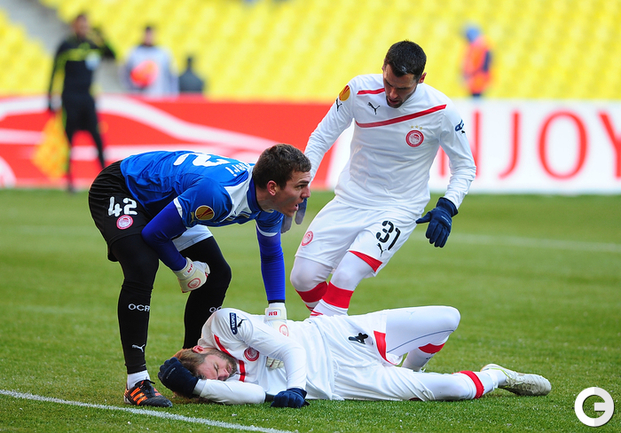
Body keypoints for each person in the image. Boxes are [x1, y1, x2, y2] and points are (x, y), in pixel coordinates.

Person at [88, 144, 311, 407]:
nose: (307, 193)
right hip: (125, 187)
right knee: (142, 265)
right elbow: (154, 234)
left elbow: (271, 255)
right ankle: (136, 382)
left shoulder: (269, 204)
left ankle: (189, 368)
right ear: (273, 187)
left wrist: (277, 315)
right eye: (300, 186)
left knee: (218, 274)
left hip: (173, 202)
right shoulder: (219, 194)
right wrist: (183, 268)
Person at [287, 40, 477, 316]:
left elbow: (465, 166)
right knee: (302, 277)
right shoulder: (358, 90)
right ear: (383, 68)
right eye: (388, 83)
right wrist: (303, 184)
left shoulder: (441, 111)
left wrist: (448, 206)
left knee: (345, 275)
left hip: (398, 207)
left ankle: (325, 341)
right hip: (349, 200)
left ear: (421, 79)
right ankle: (342, 336)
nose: (392, 94)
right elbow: (321, 138)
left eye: (402, 88)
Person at [158, 305, 551, 406]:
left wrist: (295, 388)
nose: (223, 376)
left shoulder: (223, 323)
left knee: (448, 318)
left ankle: (412, 369)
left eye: (214, 370)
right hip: (343, 383)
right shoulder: (223, 387)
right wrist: (200, 388)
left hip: (337, 337)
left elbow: (290, 348)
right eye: (216, 383)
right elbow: (256, 395)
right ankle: (499, 375)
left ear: (200, 349)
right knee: (457, 390)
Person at [47, 13, 116, 192]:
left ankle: (106, 179)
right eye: (81, 25)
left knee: (97, 138)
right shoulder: (66, 46)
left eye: (86, 26)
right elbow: (54, 71)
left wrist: (102, 37)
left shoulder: (93, 46)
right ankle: (69, 181)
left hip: (87, 98)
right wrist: (49, 97)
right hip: (70, 98)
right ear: (74, 26)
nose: (84, 28)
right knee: (69, 140)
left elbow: (112, 55)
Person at [121, 26, 179, 96]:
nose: (148, 38)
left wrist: (172, 94)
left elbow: (172, 76)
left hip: (159, 95)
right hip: (138, 95)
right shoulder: (133, 52)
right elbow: (125, 73)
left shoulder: (164, 53)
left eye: (151, 35)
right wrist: (131, 88)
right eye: (147, 35)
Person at [462, 25, 492, 98]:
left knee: (477, 98)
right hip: (475, 79)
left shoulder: (481, 46)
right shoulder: (473, 46)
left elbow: (483, 64)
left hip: (478, 79)